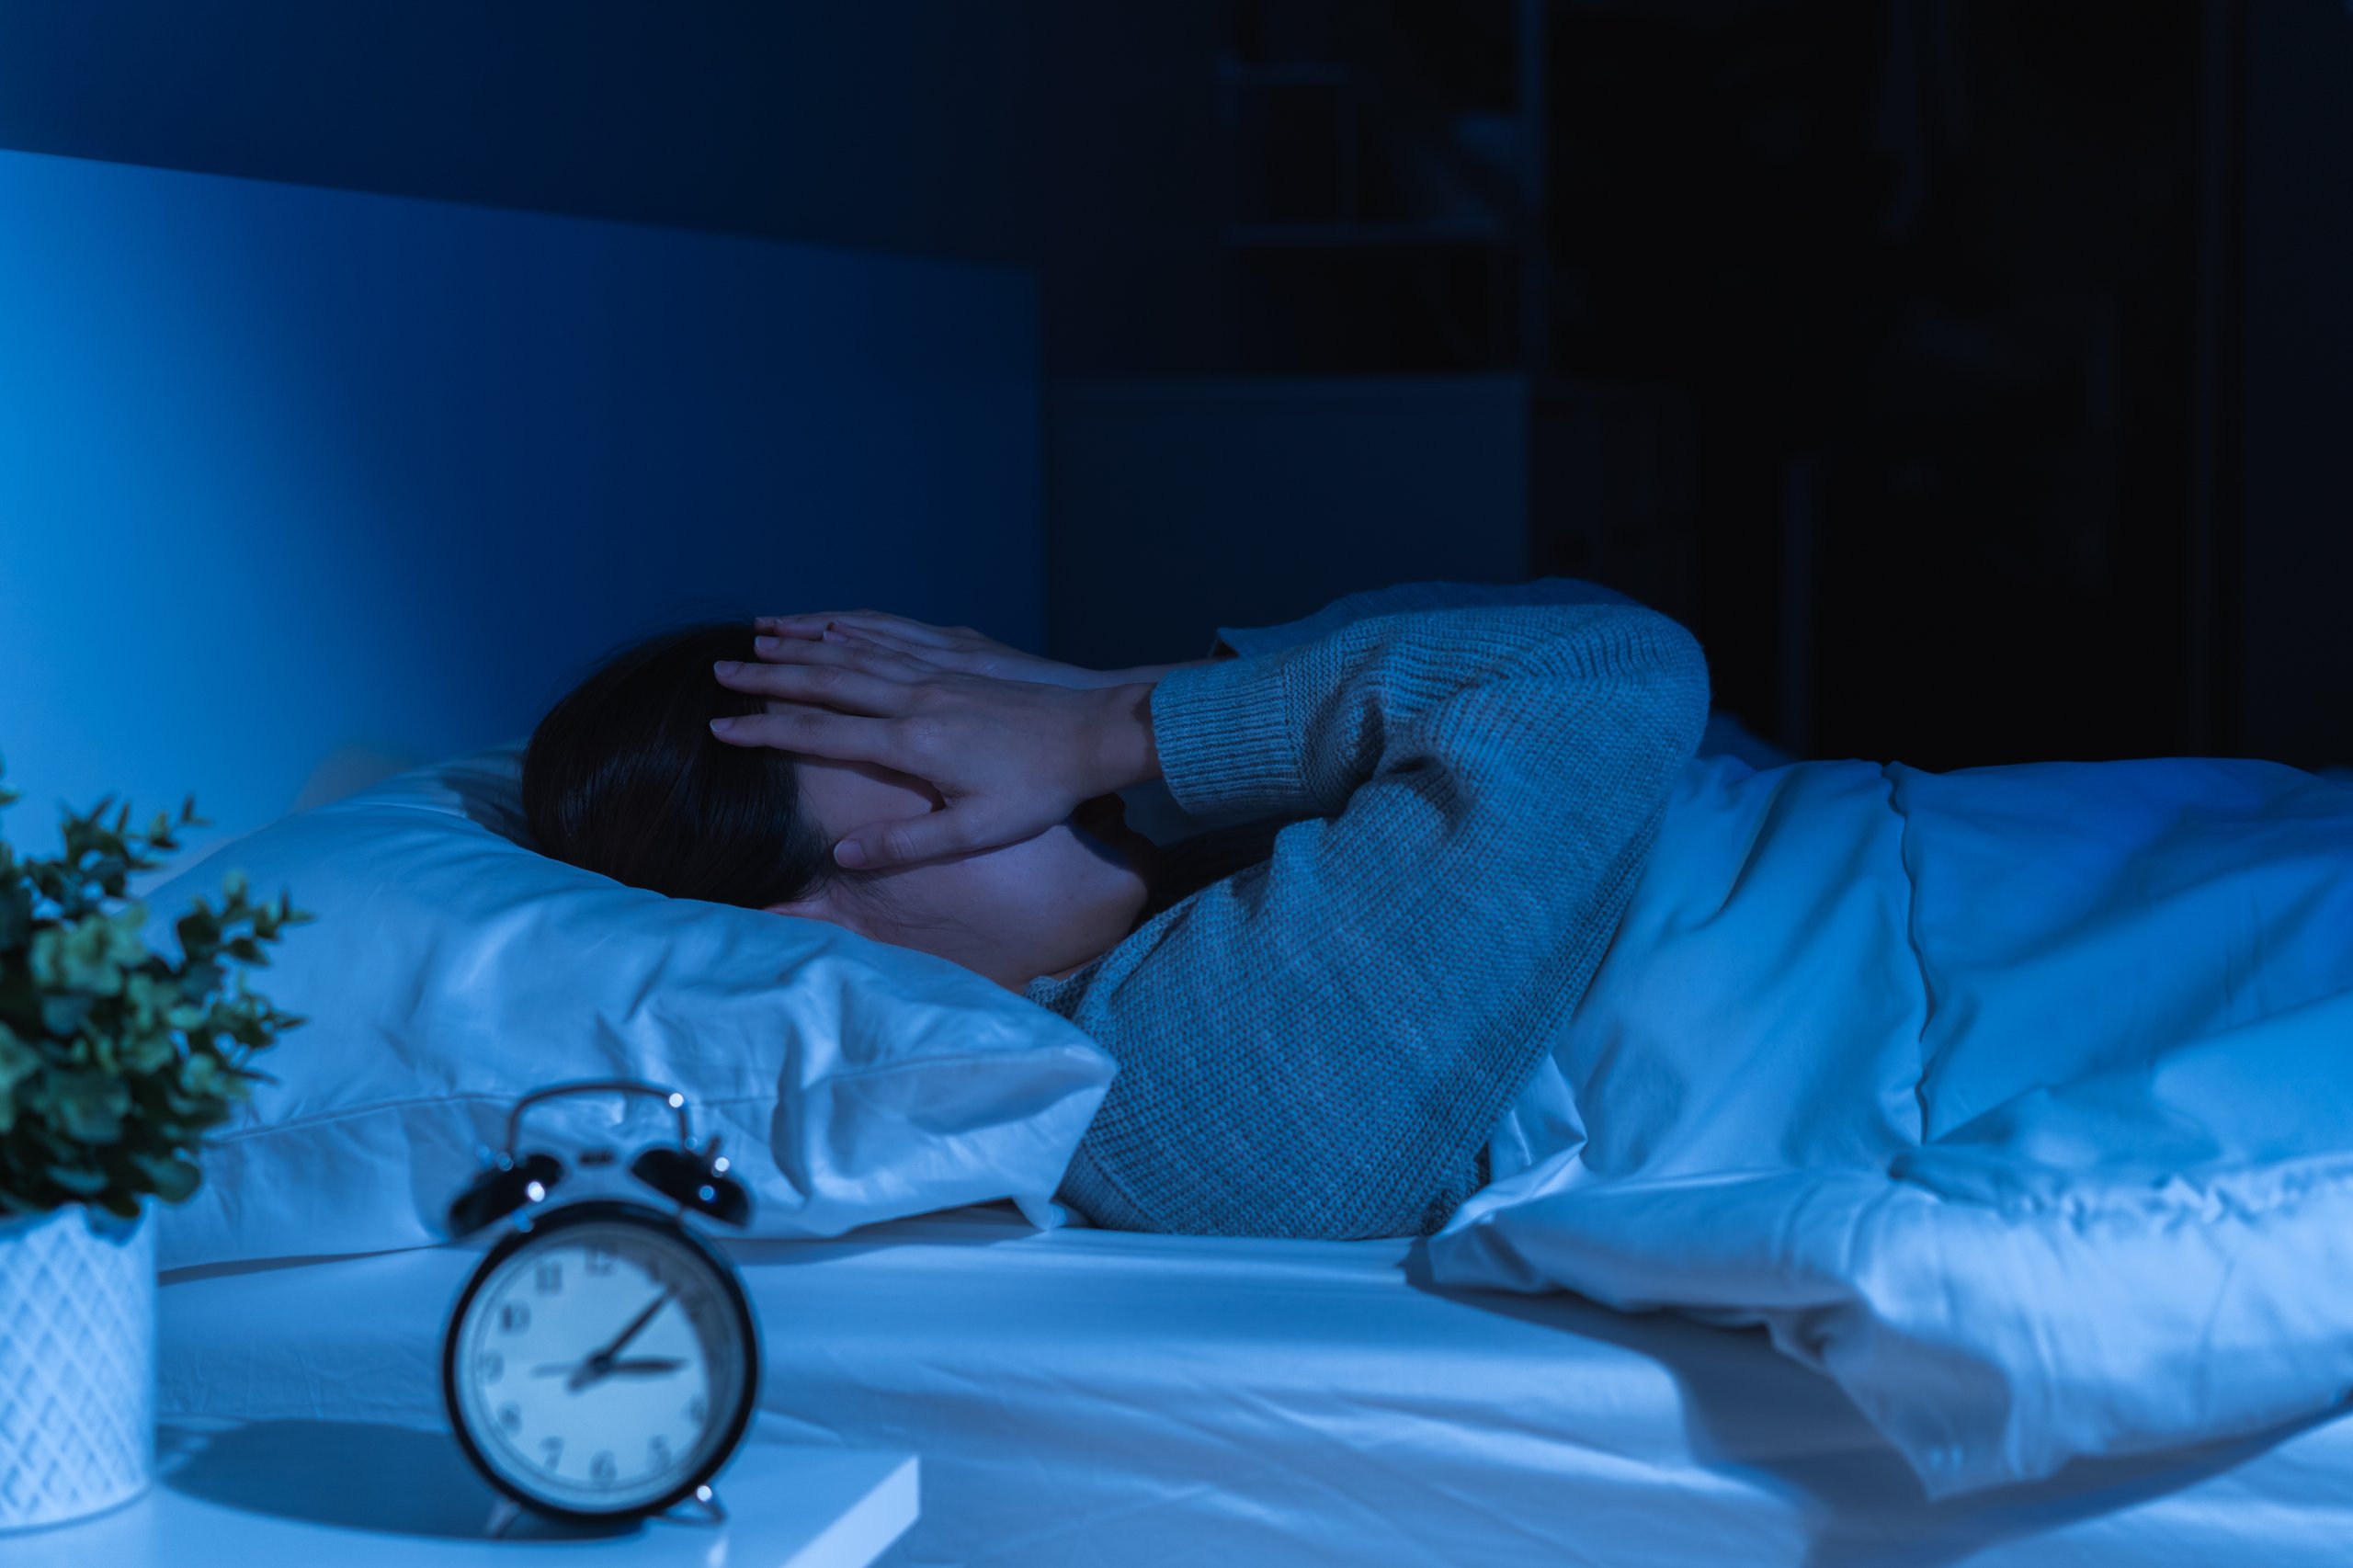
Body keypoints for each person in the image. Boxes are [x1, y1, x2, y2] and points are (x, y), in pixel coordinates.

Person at [523, 580, 1712, 1239]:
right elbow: (1597, 668)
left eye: (964, 702)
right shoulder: (1168, 1099)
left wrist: (1091, 706)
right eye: (929, 753)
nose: (1004, 746)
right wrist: (1108, 721)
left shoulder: (1176, 904)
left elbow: (1519, 630)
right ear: (807, 932)